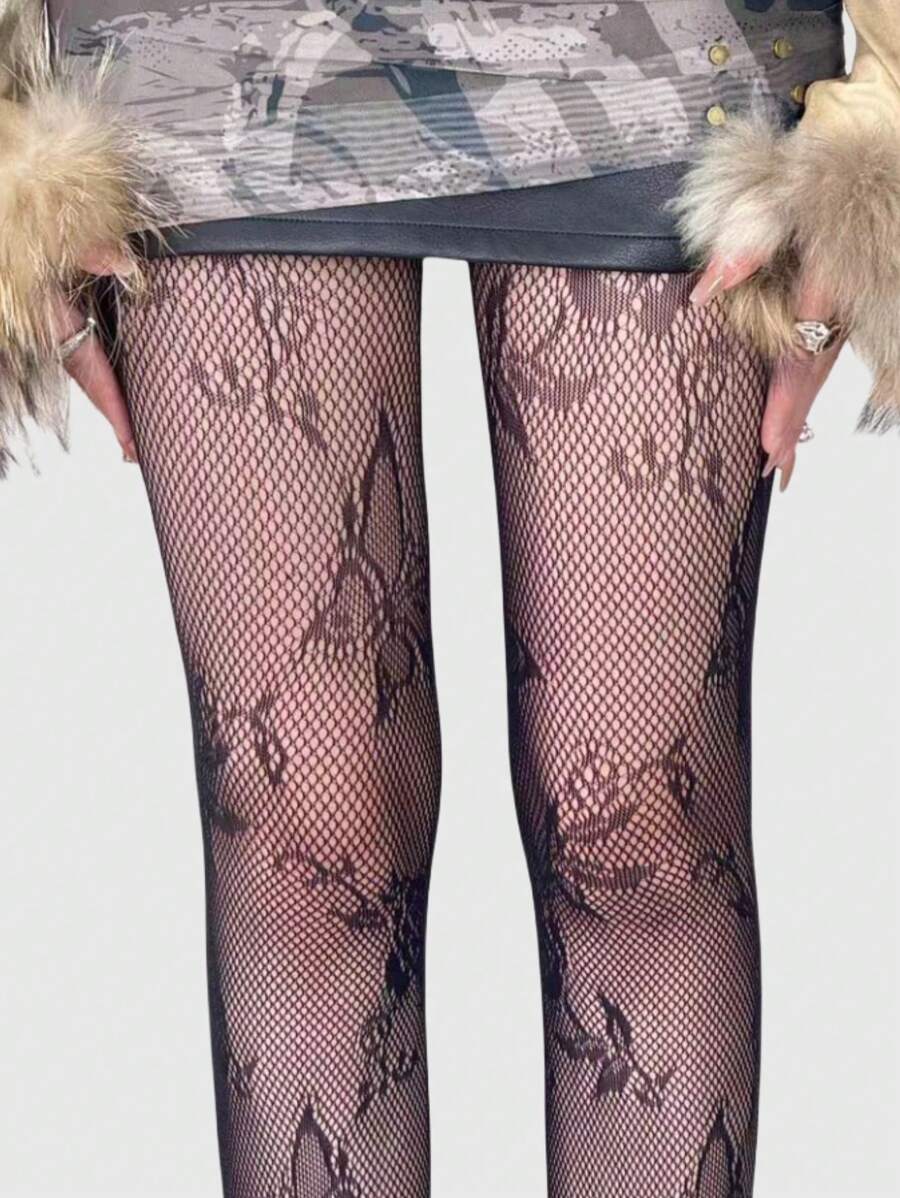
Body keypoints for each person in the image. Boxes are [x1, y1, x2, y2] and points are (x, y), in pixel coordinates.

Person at [0, 2, 895, 1195]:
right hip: (211, 61)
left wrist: (884, 117)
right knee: (304, 840)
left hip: (661, 46)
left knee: (641, 829)